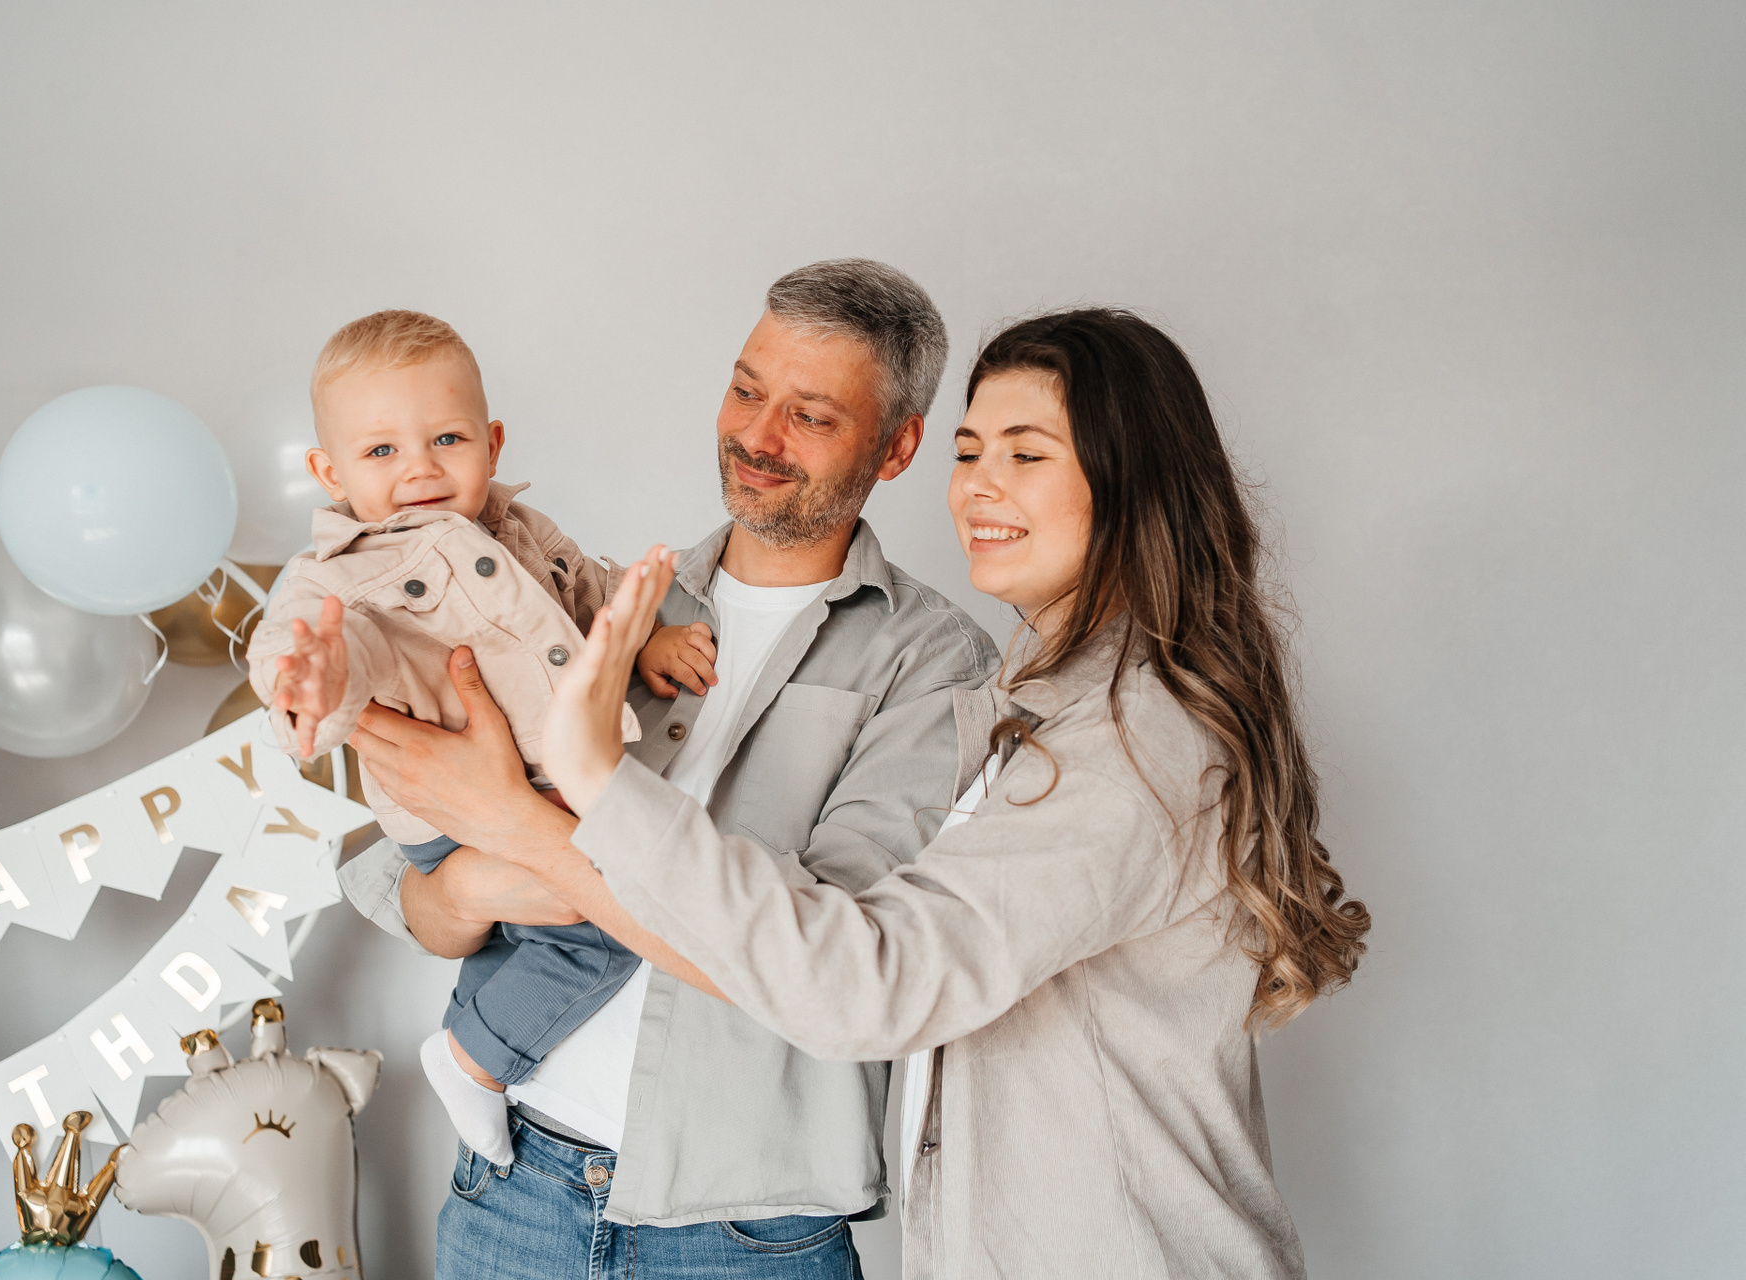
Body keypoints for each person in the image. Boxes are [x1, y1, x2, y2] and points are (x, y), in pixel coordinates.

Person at [369, 308, 1374, 1278]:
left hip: (778, 1234)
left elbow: (854, 974)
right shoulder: (619, 607)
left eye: (1026, 454)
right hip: (516, 1174)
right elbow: (415, 881)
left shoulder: (1091, 725)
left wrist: (539, 816)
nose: (980, 486)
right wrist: (466, 876)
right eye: (972, 453)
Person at [342, 261, 999, 1277]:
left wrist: (518, 825)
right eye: (745, 389)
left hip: (750, 1233)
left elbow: (828, 968)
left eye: (811, 416)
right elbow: (423, 900)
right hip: (512, 1188)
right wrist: (470, 878)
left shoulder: (935, 663)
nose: (758, 436)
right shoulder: (594, 606)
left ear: (898, 445)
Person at [246, 309, 712, 1167]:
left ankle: (478, 1021)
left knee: (554, 918)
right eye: (381, 450)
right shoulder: (341, 577)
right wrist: (308, 682)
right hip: (449, 809)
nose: (420, 468)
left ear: (491, 444)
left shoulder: (518, 531)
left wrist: (644, 638)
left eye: (447, 439)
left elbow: (587, 592)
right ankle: (473, 1059)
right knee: (609, 926)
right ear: (330, 473)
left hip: (540, 786)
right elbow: (331, 642)